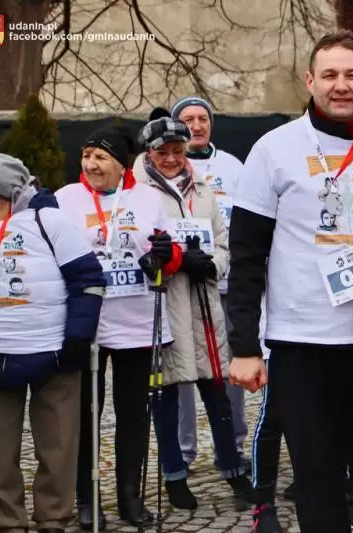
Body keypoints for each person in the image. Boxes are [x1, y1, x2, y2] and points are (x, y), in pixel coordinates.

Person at [227, 30, 353, 533]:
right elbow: (247, 255)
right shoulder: (273, 150)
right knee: (317, 483)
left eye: (352, 75)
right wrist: (244, 346)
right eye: (330, 74)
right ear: (310, 80)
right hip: (302, 344)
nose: (341, 85)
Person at [0, 154, 106, 533]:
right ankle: (9, 521)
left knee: (58, 444)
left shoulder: (49, 220)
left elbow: (88, 280)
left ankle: (53, 517)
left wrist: (78, 337)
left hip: (53, 352)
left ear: (3, 191)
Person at [55, 125, 183, 529]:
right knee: (86, 414)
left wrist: (165, 255)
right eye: (86, 155)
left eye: (101, 157)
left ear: (122, 164)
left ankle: (130, 496)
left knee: (133, 415)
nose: (91, 164)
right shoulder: (65, 199)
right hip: (87, 322)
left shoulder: (147, 198)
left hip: (136, 321)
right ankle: (86, 496)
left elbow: (171, 252)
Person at [132, 117, 252, 509]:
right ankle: (174, 475)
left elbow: (224, 243)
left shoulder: (203, 190)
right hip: (164, 306)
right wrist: (170, 260)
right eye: (162, 152)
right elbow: (133, 247)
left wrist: (212, 263)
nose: (171, 159)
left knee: (217, 392)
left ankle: (232, 468)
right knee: (166, 396)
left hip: (203, 304)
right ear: (149, 153)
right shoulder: (137, 194)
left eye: (177, 152)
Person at [170, 96, 250, 470]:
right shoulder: (166, 168)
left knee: (230, 366)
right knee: (183, 368)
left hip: (226, 281)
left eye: (203, 118)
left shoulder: (233, 166)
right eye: (188, 119)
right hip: (182, 285)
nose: (197, 126)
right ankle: (183, 450)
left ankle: (232, 445)